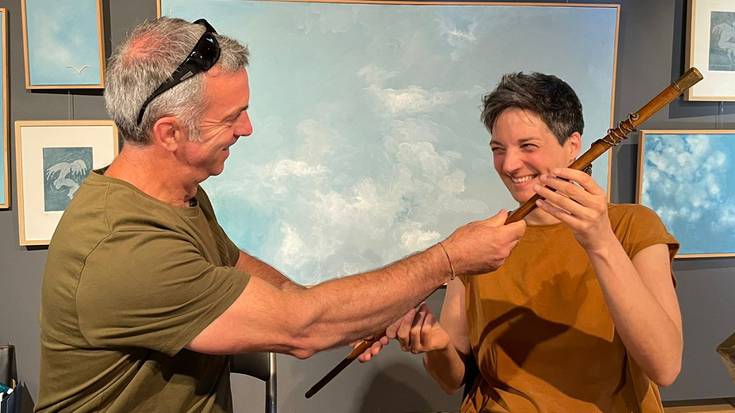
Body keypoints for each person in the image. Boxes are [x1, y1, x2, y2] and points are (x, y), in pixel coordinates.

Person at [35, 17, 526, 413]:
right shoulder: (124, 246)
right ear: (170, 134)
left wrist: (362, 314)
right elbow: (300, 327)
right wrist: (448, 258)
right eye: (231, 117)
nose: (247, 128)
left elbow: (265, 283)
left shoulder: (178, 197)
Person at [362, 72, 682, 413]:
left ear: (573, 146)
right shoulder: (479, 242)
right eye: (498, 149)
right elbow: (451, 380)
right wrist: (437, 344)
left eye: (527, 146)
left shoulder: (632, 226)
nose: (510, 165)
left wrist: (600, 242)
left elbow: (664, 367)